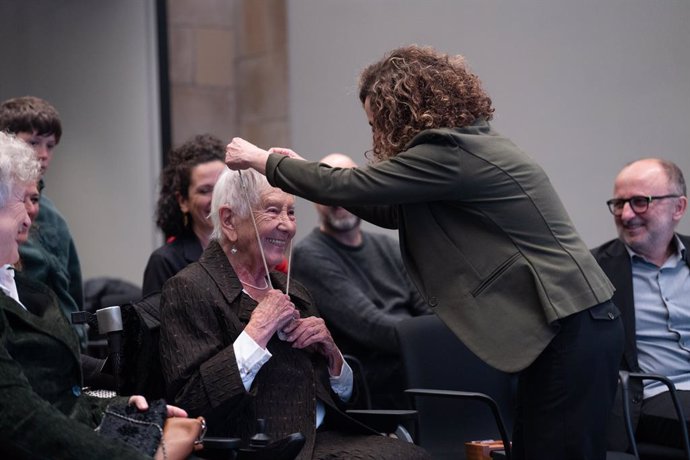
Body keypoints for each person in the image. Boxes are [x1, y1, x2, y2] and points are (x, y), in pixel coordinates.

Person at [225, 45, 624, 460]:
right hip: (575, 324)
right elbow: (389, 206)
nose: (376, 134)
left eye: (376, 121)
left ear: (400, 112)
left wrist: (262, 159)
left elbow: (355, 189)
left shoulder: (450, 153)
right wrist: (301, 168)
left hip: (571, 324)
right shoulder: (463, 148)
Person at [158, 167, 430, 459]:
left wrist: (333, 357)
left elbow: (345, 399)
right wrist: (256, 331)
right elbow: (191, 403)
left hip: (326, 437)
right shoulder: (190, 288)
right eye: (273, 211)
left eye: (291, 212)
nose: (287, 226)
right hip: (263, 447)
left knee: (416, 454)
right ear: (229, 221)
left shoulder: (293, 290)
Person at [0, 131, 187, 459]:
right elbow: (21, 418)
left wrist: (117, 408)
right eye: (21, 199)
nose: (31, 215)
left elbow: (58, 394)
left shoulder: (24, 287)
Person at [292, 152, 431, 409]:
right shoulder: (309, 256)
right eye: (327, 190)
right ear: (314, 199)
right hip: (371, 381)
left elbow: (428, 306)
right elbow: (371, 327)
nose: (338, 200)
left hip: (413, 358)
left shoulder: (388, 246)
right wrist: (432, 338)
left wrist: (437, 335)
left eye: (345, 187)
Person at [591, 158, 689, 450]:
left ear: (678, 208)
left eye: (639, 202)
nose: (626, 214)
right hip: (652, 395)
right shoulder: (593, 272)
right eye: (619, 203)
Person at [0, 96, 85, 346]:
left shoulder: (54, 218)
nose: (42, 154)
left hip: (64, 335)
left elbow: (71, 288)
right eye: (33, 142)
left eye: (50, 145)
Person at [142, 133, 226, 297]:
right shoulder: (164, 262)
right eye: (205, 190)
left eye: (222, 187)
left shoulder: (249, 252)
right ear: (183, 201)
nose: (216, 199)